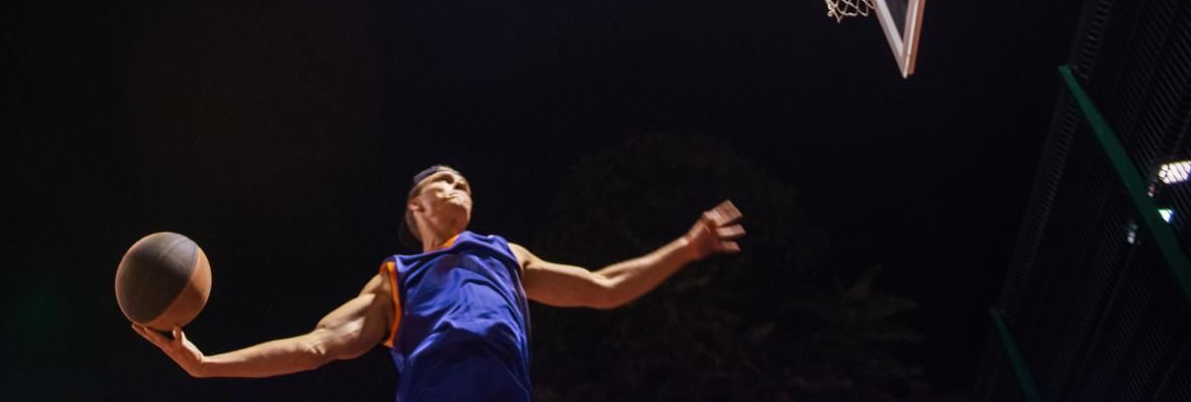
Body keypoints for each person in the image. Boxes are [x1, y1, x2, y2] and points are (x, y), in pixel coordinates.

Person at [136, 164, 745, 400]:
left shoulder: (504, 255)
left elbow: (603, 285)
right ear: (416, 206)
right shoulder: (393, 280)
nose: (460, 187)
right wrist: (206, 365)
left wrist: (685, 248)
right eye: (445, 182)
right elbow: (317, 347)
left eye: (466, 185)